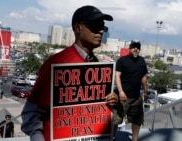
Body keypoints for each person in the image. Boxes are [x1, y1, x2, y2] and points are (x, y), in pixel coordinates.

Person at [21, 5, 119, 141]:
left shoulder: (98, 66)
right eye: (95, 25)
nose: (101, 31)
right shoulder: (57, 63)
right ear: (78, 27)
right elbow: (31, 117)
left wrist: (111, 102)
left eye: (103, 27)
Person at [113, 40, 148, 141]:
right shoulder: (122, 60)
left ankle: (135, 139)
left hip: (136, 97)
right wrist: (120, 92)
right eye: (133, 47)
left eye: (137, 47)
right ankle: (113, 137)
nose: (135, 49)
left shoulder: (142, 61)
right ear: (129, 48)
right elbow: (117, 76)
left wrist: (145, 91)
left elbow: (144, 77)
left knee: (137, 120)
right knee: (116, 120)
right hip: (123, 97)